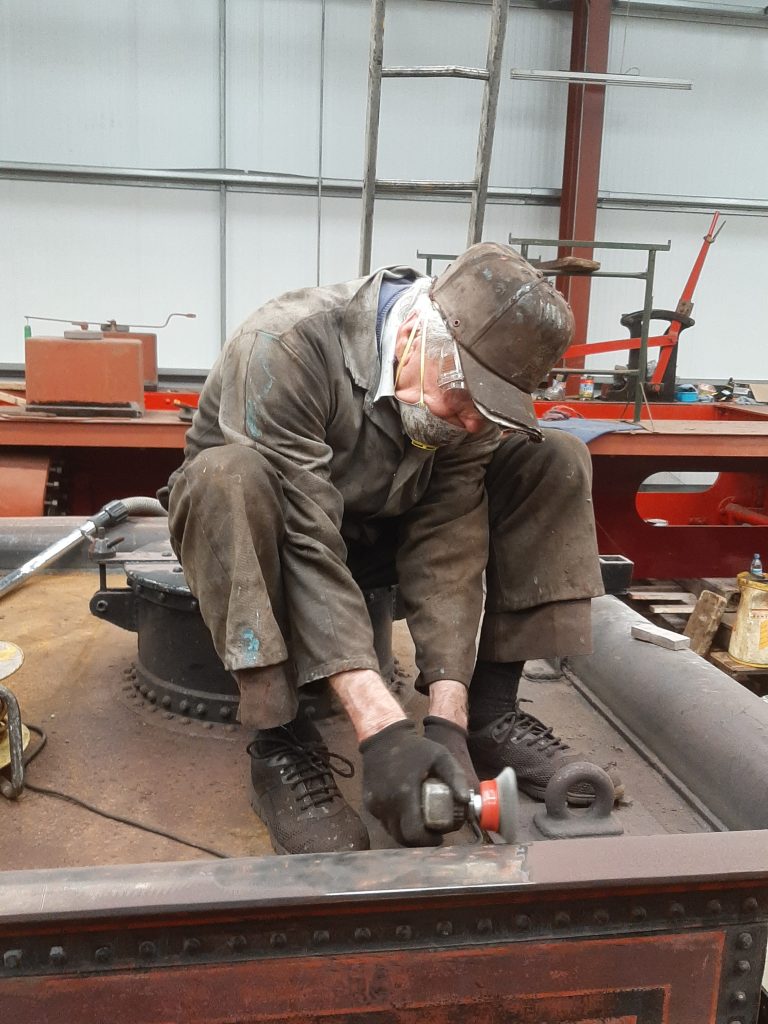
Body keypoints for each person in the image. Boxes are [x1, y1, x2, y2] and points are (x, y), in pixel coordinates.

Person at [162, 242, 622, 855]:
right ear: (415, 330)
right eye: (462, 398)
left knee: (555, 457)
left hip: (376, 535)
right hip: (266, 538)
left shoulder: (463, 408)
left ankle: (491, 714)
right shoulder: (285, 345)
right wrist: (382, 734)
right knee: (230, 476)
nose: (468, 424)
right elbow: (304, 538)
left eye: (486, 411)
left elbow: (449, 539)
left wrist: (445, 720)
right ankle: (282, 739)